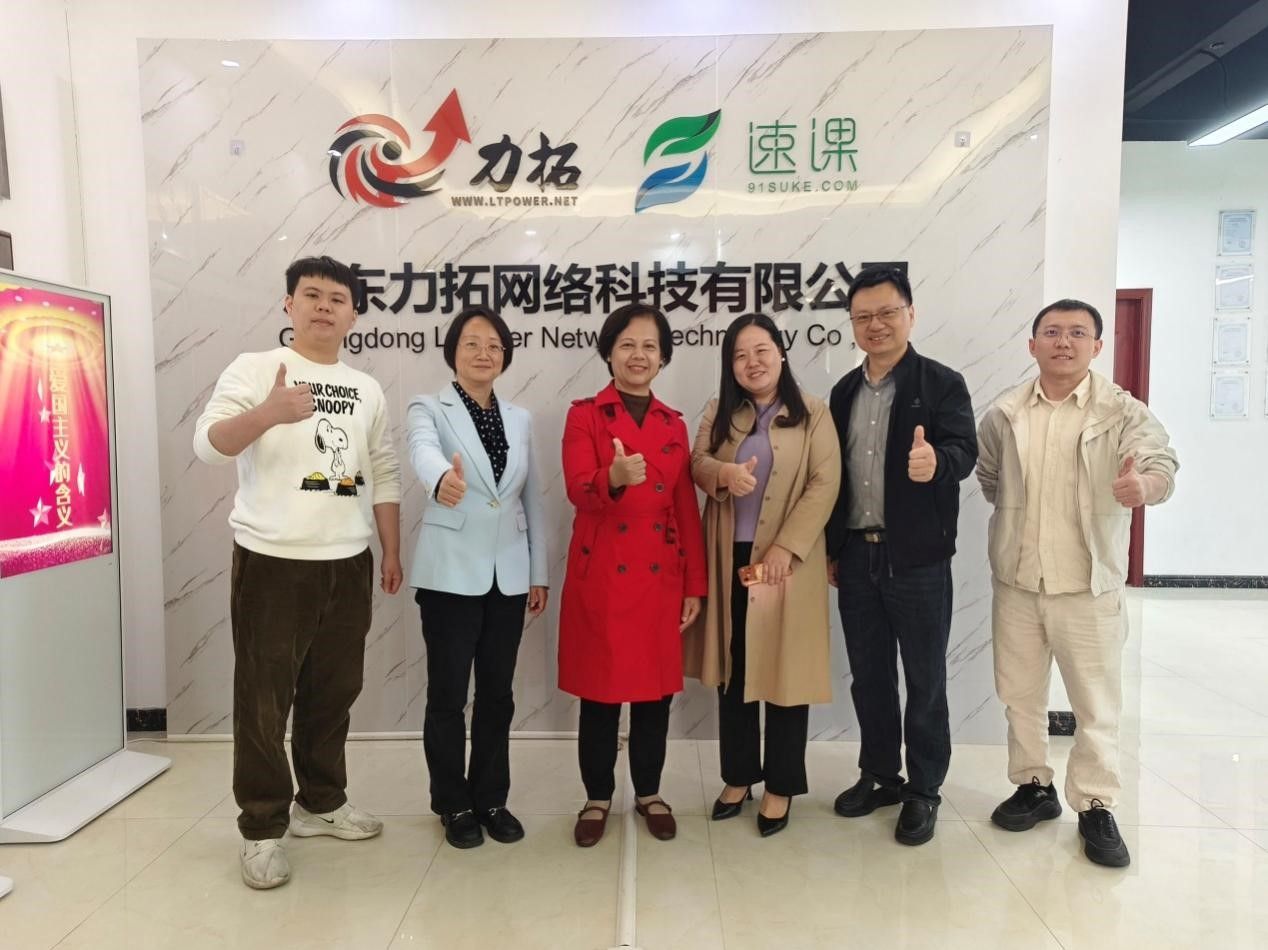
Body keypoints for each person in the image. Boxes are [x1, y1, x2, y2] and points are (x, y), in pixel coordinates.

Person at [193, 255, 402, 890]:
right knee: (263, 700)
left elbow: (382, 469)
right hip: (272, 562)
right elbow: (208, 445)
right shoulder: (256, 370)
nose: (324, 307)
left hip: (348, 561)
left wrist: (391, 550)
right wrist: (269, 413)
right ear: (289, 305)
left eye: (337, 299)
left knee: (333, 693)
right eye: (311, 295)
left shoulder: (366, 388)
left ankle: (321, 802)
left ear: (353, 314)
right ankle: (261, 827)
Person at [977, 298, 1178, 868]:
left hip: (1089, 586)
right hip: (1018, 582)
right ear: (1032, 344)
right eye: (1051, 332)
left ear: (1097, 346)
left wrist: (1145, 488)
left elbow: (1161, 464)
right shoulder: (1004, 412)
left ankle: (1094, 804)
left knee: (1096, 703)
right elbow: (991, 478)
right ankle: (1033, 786)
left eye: (1077, 333)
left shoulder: (1122, 411)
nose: (1063, 342)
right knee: (1020, 695)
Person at [825, 264, 977, 846]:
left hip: (918, 560)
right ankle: (881, 776)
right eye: (863, 316)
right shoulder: (843, 391)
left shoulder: (941, 383)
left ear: (910, 314)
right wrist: (834, 548)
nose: (876, 325)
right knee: (869, 678)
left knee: (925, 679)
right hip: (856, 557)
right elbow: (834, 477)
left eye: (887, 312)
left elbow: (964, 450)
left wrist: (937, 462)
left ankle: (924, 789)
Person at [685, 313, 840, 837]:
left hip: (787, 564)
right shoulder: (719, 411)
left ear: (781, 353)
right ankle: (738, 777)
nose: (751, 363)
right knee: (735, 668)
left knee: (784, 673)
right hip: (730, 556)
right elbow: (696, 462)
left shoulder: (813, 413)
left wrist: (786, 548)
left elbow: (825, 482)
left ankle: (780, 785)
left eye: (761, 351)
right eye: (739, 355)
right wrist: (722, 473)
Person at [558, 303, 707, 847]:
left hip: (659, 574)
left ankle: (649, 792)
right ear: (609, 353)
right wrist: (614, 476)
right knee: (600, 695)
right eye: (627, 344)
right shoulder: (584, 415)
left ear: (662, 357)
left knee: (653, 696)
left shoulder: (674, 424)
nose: (638, 355)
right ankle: (597, 796)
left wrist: (695, 584)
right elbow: (577, 487)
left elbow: (685, 508)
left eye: (649, 346)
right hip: (603, 570)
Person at [405, 305, 549, 850]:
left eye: (494, 345)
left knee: (497, 695)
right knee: (447, 695)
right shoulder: (429, 406)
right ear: (453, 352)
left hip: (508, 576)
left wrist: (538, 571)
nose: (484, 353)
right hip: (449, 575)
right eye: (472, 343)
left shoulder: (520, 418)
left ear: (505, 355)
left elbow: (531, 498)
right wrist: (441, 477)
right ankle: (453, 802)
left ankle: (491, 798)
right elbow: (421, 450)